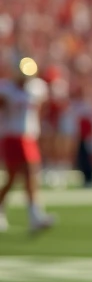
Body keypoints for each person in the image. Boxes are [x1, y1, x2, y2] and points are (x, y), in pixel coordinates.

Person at [0, 54, 55, 234]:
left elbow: (39, 108)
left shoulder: (36, 88)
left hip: (28, 137)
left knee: (30, 173)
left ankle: (35, 215)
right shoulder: (7, 89)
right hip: (12, 136)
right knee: (14, 178)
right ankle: (33, 215)